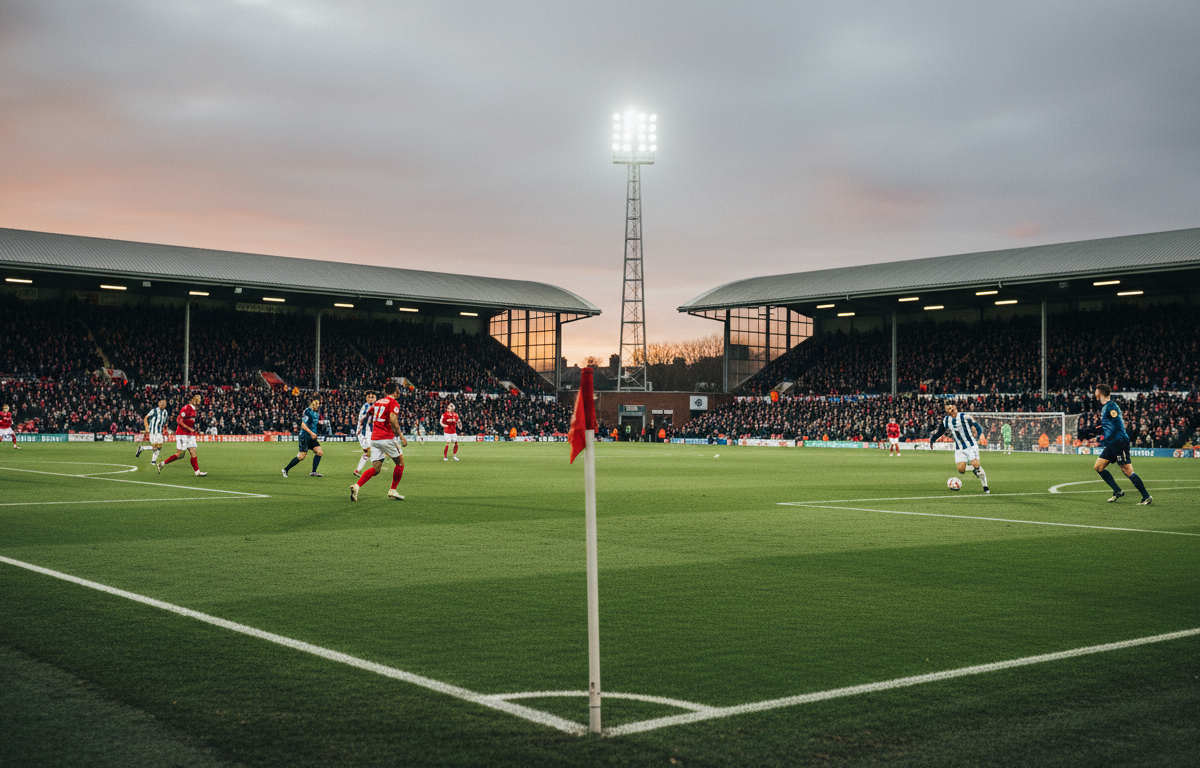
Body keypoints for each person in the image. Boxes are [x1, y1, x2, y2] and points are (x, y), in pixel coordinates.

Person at [1089, 384, 1152, 504]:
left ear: (1100, 392)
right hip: (1112, 443)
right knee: (1098, 467)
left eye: (1096, 391)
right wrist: (1096, 431)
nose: (1094, 393)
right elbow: (1108, 424)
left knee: (1127, 471)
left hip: (1119, 442)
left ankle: (1146, 496)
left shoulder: (1111, 406)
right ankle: (1117, 491)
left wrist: (1103, 437)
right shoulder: (1106, 407)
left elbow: (1116, 425)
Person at [351, 382, 408, 502]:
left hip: (375, 439)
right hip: (387, 437)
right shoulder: (393, 402)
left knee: (376, 468)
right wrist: (401, 436)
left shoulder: (377, 402)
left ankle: (357, 486)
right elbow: (393, 418)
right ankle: (392, 490)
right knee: (400, 463)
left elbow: (368, 415)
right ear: (395, 391)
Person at [928, 401, 989, 493]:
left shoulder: (964, 417)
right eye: (948, 409)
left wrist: (977, 437)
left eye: (951, 407)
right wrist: (933, 439)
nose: (950, 410)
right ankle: (974, 469)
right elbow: (940, 431)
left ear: (955, 407)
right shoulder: (946, 420)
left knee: (976, 464)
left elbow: (977, 427)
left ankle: (985, 486)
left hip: (971, 446)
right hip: (959, 448)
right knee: (961, 470)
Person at [158, 394, 207, 476]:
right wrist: (189, 428)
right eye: (198, 400)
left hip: (189, 434)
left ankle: (197, 472)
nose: (200, 402)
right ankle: (162, 464)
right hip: (182, 434)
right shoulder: (187, 408)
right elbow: (179, 420)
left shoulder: (194, 410)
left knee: (193, 450)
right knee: (180, 455)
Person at [282, 397, 324, 478]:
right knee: (301, 457)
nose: (319, 406)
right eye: (318, 404)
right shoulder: (308, 411)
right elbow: (303, 425)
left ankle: (313, 472)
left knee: (319, 452)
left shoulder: (316, 413)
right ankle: (285, 469)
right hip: (305, 437)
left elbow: (313, 423)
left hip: (312, 437)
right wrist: (312, 433)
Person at [136, 399, 169, 465]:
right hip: (153, 431)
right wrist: (146, 427)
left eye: (164, 403)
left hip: (159, 432)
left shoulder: (165, 412)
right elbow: (146, 418)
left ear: (165, 404)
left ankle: (151, 459)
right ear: (158, 403)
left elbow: (165, 422)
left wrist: (165, 429)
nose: (162, 404)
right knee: (155, 447)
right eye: (161, 403)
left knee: (159, 447)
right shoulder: (154, 410)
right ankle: (151, 459)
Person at [354, 391, 376, 477]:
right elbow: (366, 419)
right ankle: (374, 468)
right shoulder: (366, 406)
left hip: (367, 433)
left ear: (375, 398)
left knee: (369, 452)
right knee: (370, 452)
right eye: (369, 397)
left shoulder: (372, 406)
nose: (371, 399)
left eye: (372, 397)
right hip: (364, 433)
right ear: (366, 398)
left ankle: (358, 470)